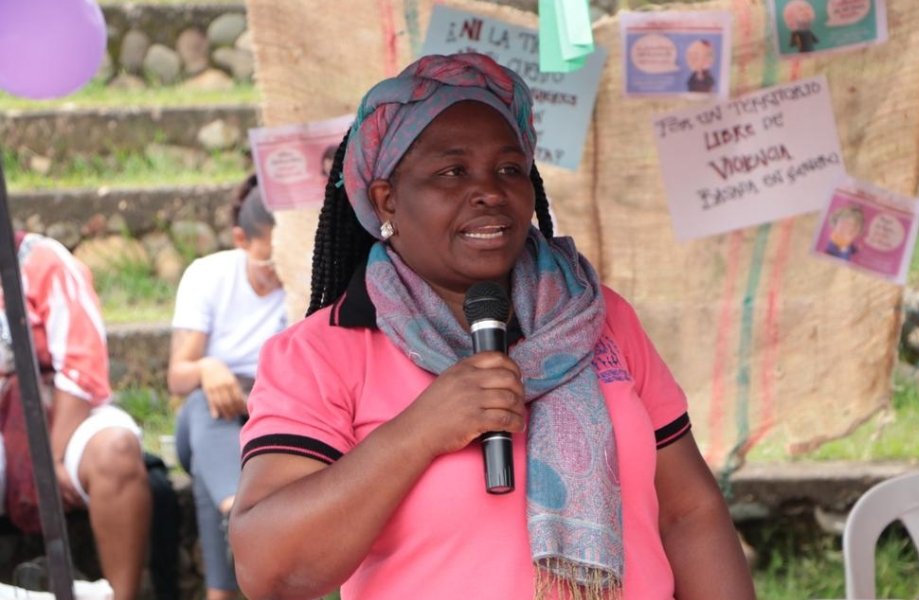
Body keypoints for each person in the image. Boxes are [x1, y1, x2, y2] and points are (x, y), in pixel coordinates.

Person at [230, 53, 756, 600]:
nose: (489, 191)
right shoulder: (323, 352)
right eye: (452, 171)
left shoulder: (598, 318)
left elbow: (688, 512)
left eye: (509, 169)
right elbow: (270, 570)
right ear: (387, 198)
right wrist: (418, 433)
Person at [0, 232, 151, 600]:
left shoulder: (42, 261)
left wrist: (49, 459)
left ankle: (122, 596)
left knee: (115, 451)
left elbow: (79, 368)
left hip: (63, 416)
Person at [168, 176, 286, 600]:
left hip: (269, 421)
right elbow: (177, 376)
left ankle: (228, 530)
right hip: (209, 416)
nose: (277, 272)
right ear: (241, 239)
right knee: (206, 407)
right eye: (270, 261)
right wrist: (208, 367)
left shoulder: (303, 277)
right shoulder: (208, 276)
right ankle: (239, 516)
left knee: (209, 472)